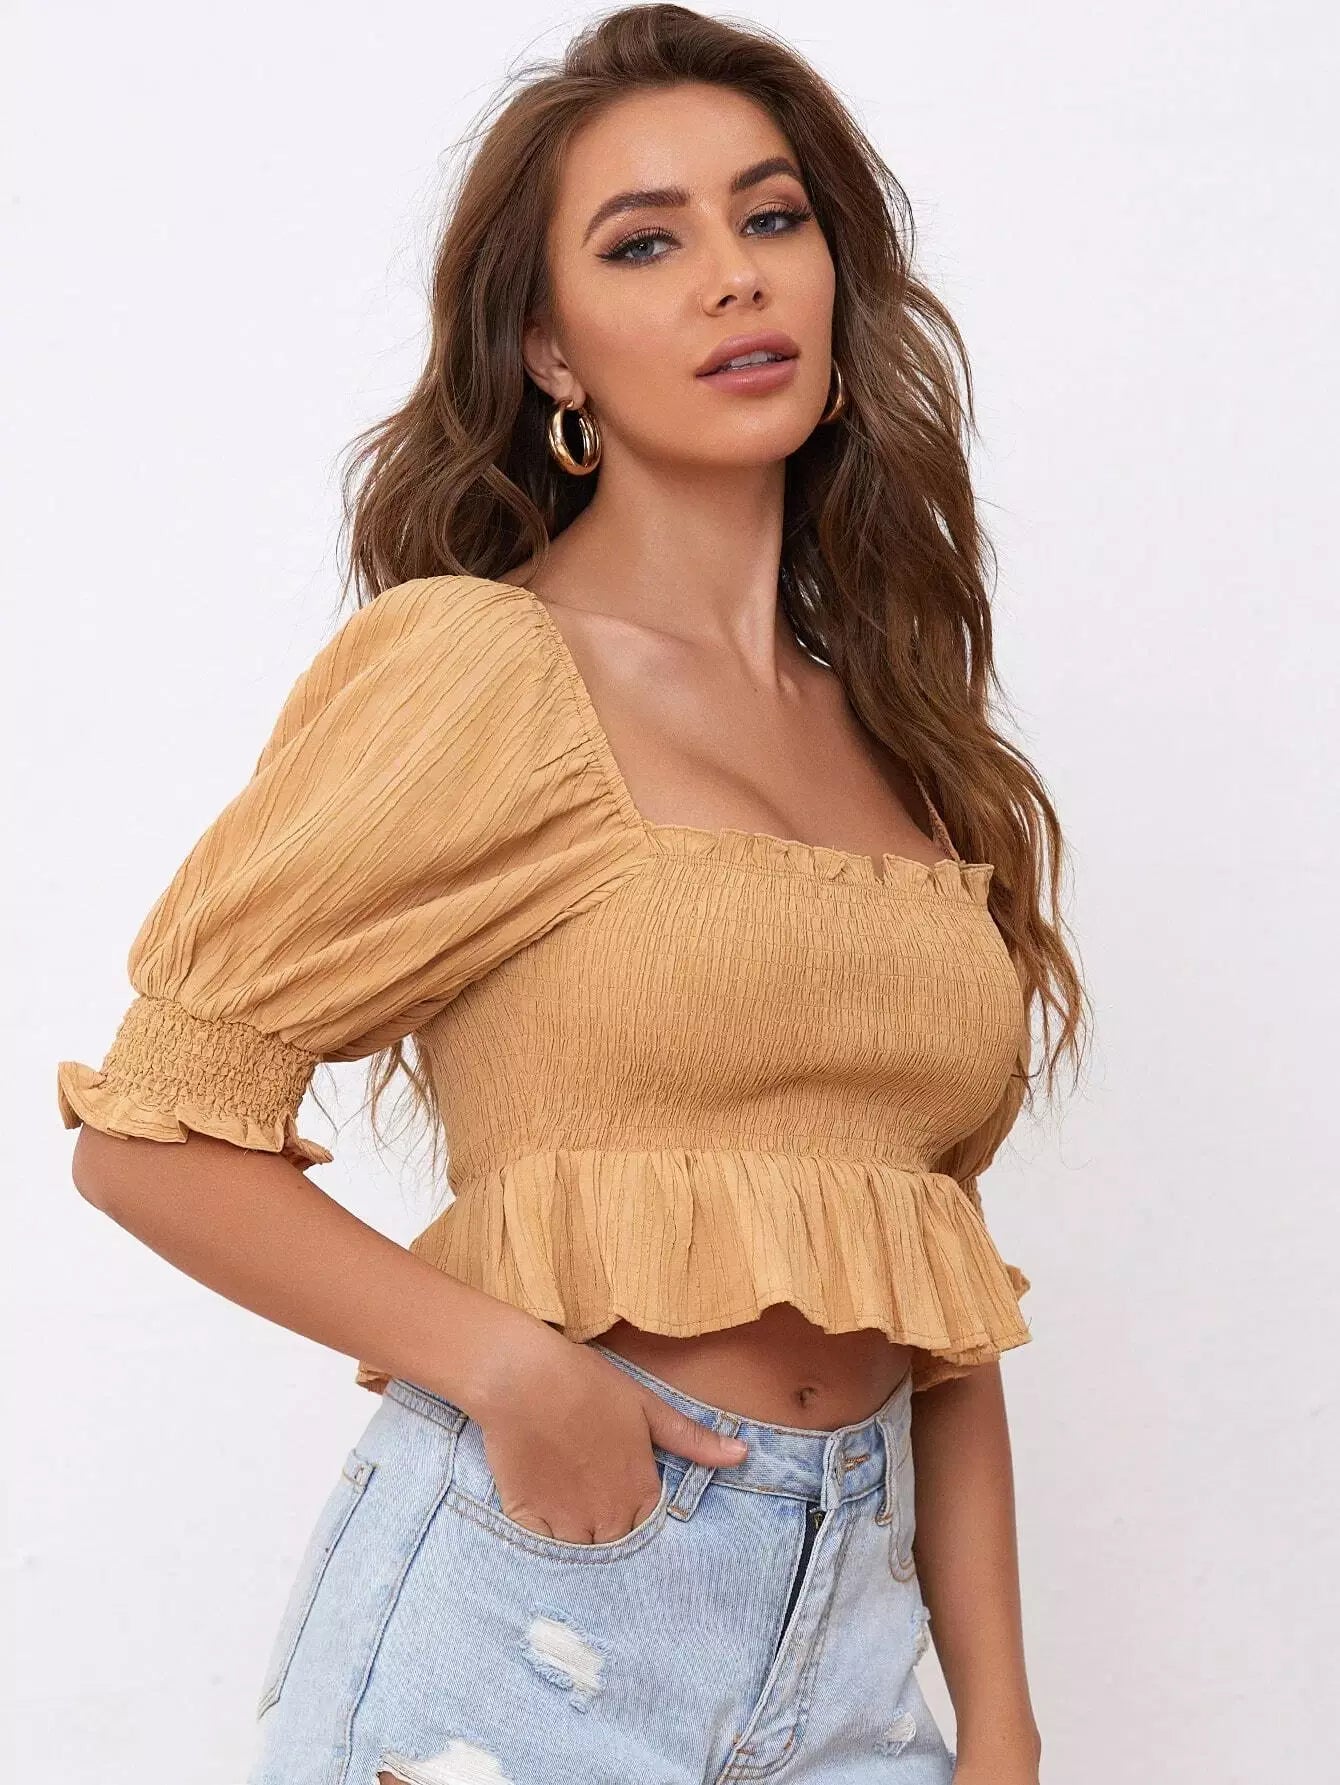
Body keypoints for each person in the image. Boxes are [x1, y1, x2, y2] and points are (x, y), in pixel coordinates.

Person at [57, 6, 1087, 1781]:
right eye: (644, 243)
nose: (733, 275)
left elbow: (936, 1294)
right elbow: (149, 1137)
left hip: (857, 1651)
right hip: (538, 1613)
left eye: (772, 218)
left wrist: (998, 1719)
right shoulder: (488, 670)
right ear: (550, 350)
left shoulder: (909, 745)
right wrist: (516, 1372)